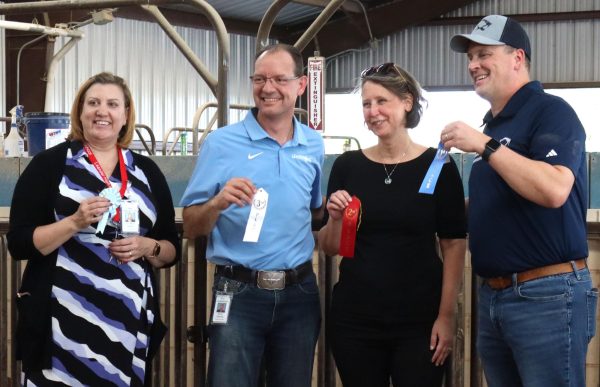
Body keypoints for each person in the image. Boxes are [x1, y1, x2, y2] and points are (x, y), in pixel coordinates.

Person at [443, 15, 595, 387]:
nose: (473, 65)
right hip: (494, 296)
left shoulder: (550, 111)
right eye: (470, 57)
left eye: (483, 54)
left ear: (517, 58)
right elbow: (494, 204)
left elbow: (554, 188)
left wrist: (484, 146)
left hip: (546, 295)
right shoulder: (495, 126)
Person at [7, 72, 181, 386]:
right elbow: (19, 243)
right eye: (93, 103)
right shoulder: (49, 165)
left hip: (125, 322)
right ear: (80, 112)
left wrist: (148, 247)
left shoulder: (147, 171)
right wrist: (73, 222)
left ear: (126, 115)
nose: (102, 111)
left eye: (113, 104)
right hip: (59, 321)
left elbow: (170, 248)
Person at [180, 43, 324, 387]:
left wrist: (337, 208)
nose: (267, 88)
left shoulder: (313, 144)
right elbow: (190, 226)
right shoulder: (221, 143)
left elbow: (314, 213)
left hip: (299, 292)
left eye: (279, 79)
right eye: (259, 78)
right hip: (238, 291)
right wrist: (216, 203)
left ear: (301, 85)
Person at [318, 63, 467, 387]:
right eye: (366, 104)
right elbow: (331, 247)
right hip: (355, 320)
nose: (373, 111)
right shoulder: (347, 166)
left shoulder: (439, 164)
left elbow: (454, 244)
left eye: (382, 101)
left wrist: (446, 315)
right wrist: (334, 218)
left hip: (419, 321)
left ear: (407, 102)